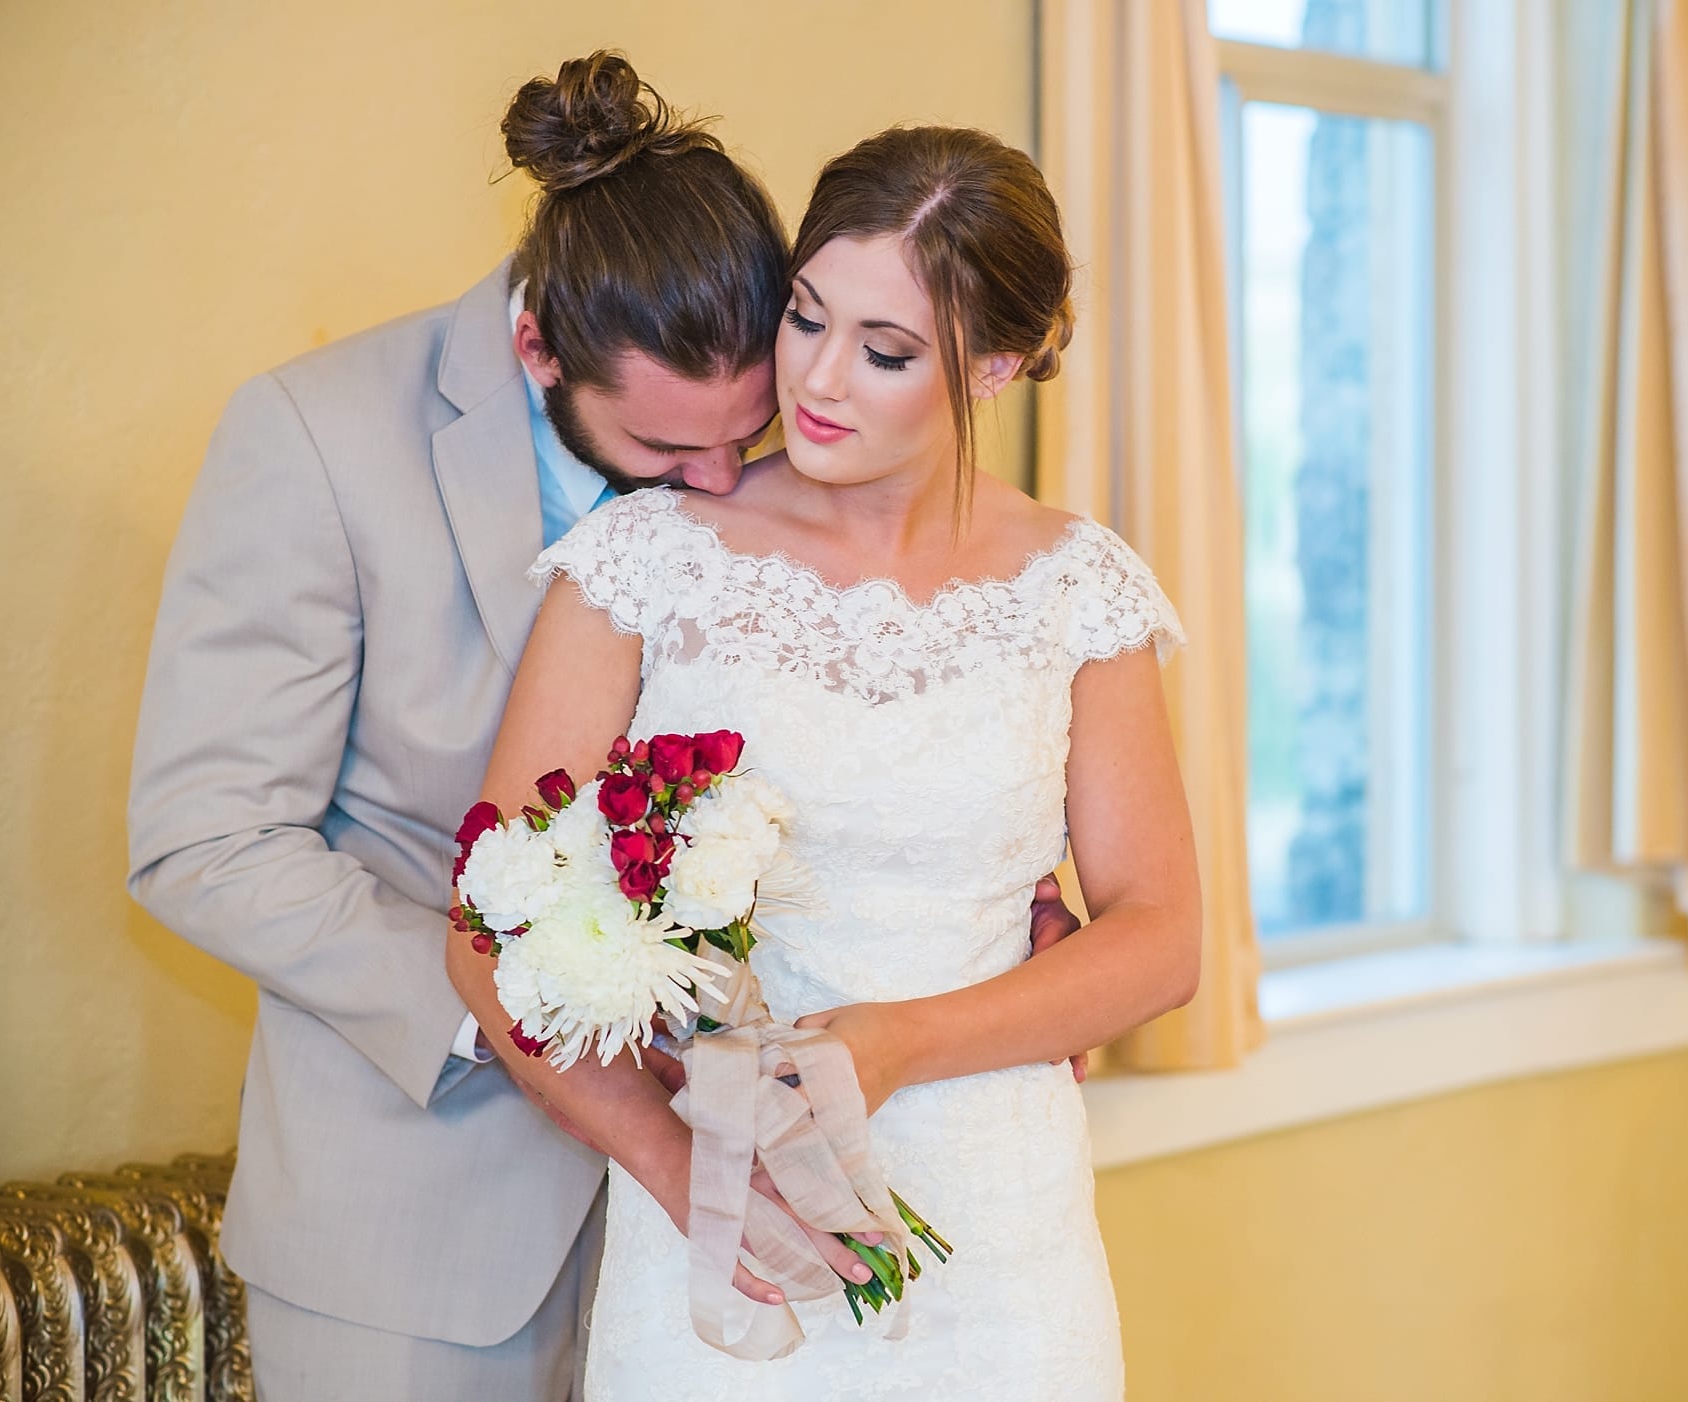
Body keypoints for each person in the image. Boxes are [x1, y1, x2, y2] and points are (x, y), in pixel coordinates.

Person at [128, 52, 1079, 1399]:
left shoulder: (774, 399)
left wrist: (991, 885)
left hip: (740, 1225)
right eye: (666, 455)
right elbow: (202, 841)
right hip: (421, 1224)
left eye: (737, 439)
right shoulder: (316, 438)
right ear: (539, 347)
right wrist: (537, 998)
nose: (717, 481)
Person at [449, 123, 1201, 1399]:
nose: (819, 381)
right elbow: (488, 928)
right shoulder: (651, 558)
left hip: (1000, 1241)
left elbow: (1163, 937)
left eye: (887, 350)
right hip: (726, 1234)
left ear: (999, 365)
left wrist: (897, 1042)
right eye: (805, 317)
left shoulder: (1078, 588)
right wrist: (695, 1178)